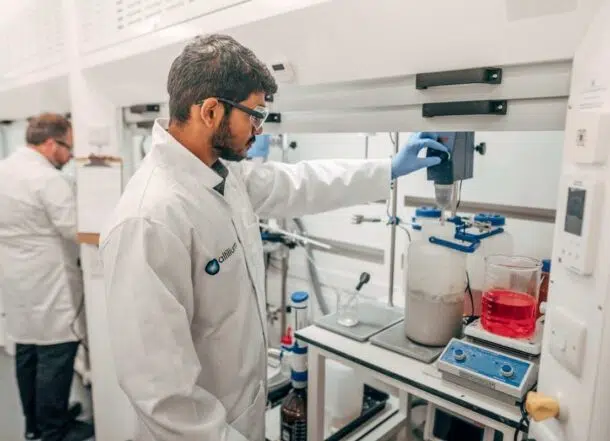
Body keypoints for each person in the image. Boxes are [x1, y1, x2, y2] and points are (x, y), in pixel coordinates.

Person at [99, 34, 448, 441]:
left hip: (242, 416)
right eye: (254, 115)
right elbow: (162, 394)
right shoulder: (148, 221)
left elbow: (300, 183)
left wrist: (388, 168)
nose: (259, 129)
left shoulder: (222, 174)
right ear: (210, 111)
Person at [0, 114, 94, 441]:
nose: (69, 157)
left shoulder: (4, 169)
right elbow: (75, 228)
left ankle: (34, 425)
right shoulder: (47, 179)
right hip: (50, 282)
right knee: (55, 354)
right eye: (68, 148)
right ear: (52, 143)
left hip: (16, 281)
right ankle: (54, 430)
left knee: (27, 353)